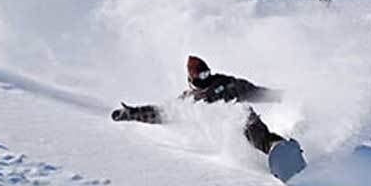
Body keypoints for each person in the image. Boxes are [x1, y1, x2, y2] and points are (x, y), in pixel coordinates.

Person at [111, 55, 286, 154]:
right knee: (240, 123)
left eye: (207, 73)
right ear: (193, 79)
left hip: (246, 126)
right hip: (225, 138)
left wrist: (279, 96)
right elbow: (162, 113)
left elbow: (252, 92)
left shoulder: (224, 83)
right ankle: (270, 155)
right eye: (202, 76)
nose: (206, 78)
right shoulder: (189, 100)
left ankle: (276, 147)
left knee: (244, 115)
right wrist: (133, 113)